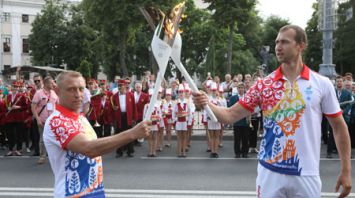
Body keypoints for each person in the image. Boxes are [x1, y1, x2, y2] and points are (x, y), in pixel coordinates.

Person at [193, 25, 351, 197]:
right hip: (270, 172)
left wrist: (346, 170)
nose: (278, 47)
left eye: (284, 42)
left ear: (301, 45)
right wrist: (207, 103)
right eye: (276, 42)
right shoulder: (264, 85)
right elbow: (229, 116)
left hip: (306, 172)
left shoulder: (321, 83)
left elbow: (338, 126)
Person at [44, 71, 150, 197]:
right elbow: (90, 149)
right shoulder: (57, 121)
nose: (78, 95)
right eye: (71, 89)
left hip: (95, 193)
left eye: (81, 89)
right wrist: (132, 133)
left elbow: (99, 149)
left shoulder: (80, 118)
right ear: (57, 91)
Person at [31, 76, 58, 164]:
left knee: (54, 139)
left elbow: (57, 105)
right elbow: (33, 107)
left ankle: (54, 156)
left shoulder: (54, 93)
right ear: (46, 83)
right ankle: (42, 156)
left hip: (53, 121)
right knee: (43, 139)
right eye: (51, 83)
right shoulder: (39, 93)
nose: (53, 84)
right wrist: (38, 119)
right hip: (42, 120)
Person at [111, 79, 137, 157]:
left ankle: (130, 151)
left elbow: (134, 107)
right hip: (119, 117)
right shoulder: (114, 96)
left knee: (129, 134)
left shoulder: (131, 95)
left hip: (128, 117)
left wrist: (134, 118)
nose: (119, 87)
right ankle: (119, 152)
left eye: (121, 85)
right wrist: (113, 119)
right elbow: (112, 108)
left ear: (125, 86)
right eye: (118, 86)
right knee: (119, 135)